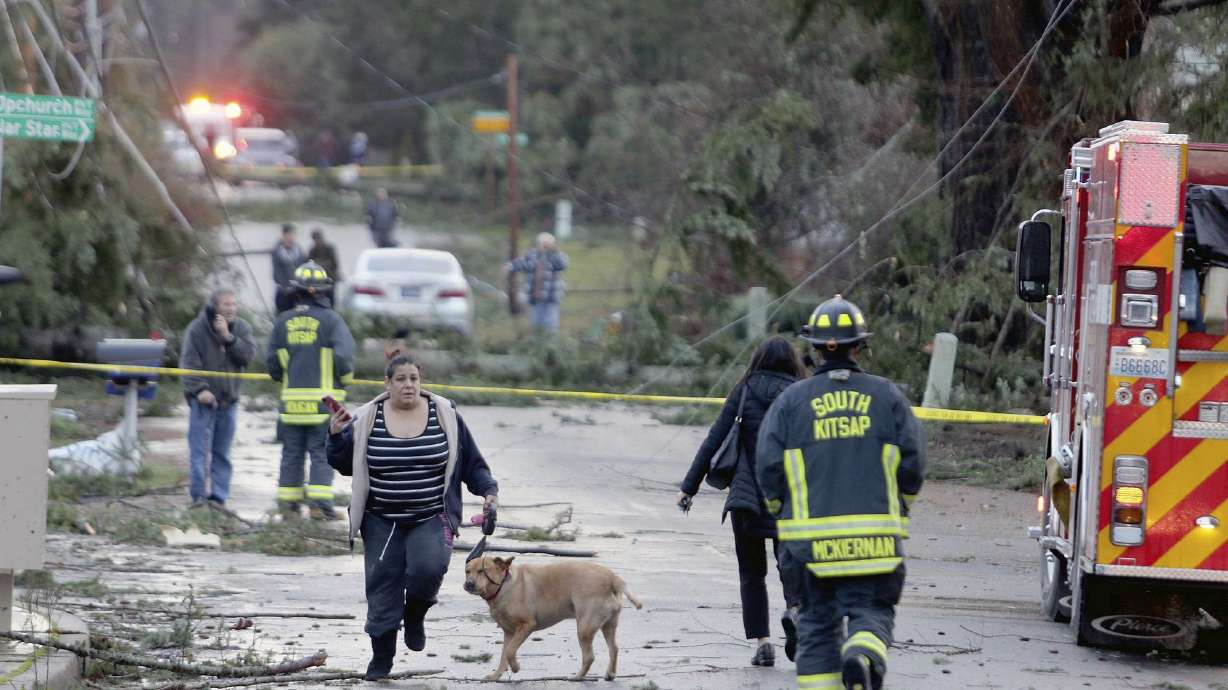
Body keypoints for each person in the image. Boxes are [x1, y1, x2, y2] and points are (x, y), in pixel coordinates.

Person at [756, 295, 925, 690]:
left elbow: (768, 466)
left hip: (808, 550)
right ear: (859, 346)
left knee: (816, 625)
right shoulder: (888, 397)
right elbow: (913, 462)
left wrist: (780, 509)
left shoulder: (790, 402)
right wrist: (902, 506)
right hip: (874, 544)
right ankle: (862, 655)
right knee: (872, 611)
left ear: (815, 350)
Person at [326, 354, 499, 680]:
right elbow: (345, 464)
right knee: (382, 587)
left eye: (414, 379)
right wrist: (336, 437)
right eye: (401, 379)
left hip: (431, 515)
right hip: (381, 518)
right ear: (387, 384)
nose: (408, 385)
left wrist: (488, 491)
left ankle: (416, 612)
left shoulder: (445, 414)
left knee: (428, 569)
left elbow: (471, 463)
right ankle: (382, 659)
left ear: (421, 381)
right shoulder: (366, 417)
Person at [676, 336, 808, 667]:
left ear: (758, 359)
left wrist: (689, 487)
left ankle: (763, 643)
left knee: (751, 572)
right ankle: (796, 611)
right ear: (792, 361)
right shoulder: (799, 393)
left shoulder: (745, 389)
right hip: (789, 496)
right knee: (791, 564)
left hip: (746, 496)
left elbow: (715, 439)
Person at [267, 261, 356, 521]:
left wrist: (288, 377)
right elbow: (344, 359)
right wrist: (345, 381)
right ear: (323, 291)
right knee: (321, 452)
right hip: (323, 405)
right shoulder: (332, 321)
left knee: (291, 454)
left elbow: (273, 364)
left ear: (296, 291)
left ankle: (288, 508)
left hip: (292, 406)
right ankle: (319, 506)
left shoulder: (283, 322)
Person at [179, 288, 257, 508]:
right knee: (199, 453)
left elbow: (248, 356)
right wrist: (200, 390)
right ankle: (198, 498)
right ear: (215, 307)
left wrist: (228, 338)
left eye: (234, 304)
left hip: (228, 403)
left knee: (222, 454)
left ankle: (219, 499)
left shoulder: (242, 328)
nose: (231, 309)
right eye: (226, 304)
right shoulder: (196, 329)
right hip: (203, 404)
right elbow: (188, 364)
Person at [503, 232, 569, 334]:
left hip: (551, 296)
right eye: (543, 243)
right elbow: (523, 263)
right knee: (536, 323)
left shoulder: (557, 255)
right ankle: (537, 340)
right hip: (535, 296)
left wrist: (552, 252)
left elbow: (562, 265)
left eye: (548, 244)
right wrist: (511, 265)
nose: (545, 246)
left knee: (551, 323)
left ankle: (551, 341)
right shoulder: (532, 255)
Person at [272, 224, 305, 313]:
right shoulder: (277, 251)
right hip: (283, 291)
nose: (290, 238)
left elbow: (303, 269)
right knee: (283, 314)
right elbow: (277, 273)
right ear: (283, 236)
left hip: (298, 290)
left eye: (292, 235)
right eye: (288, 235)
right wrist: (285, 286)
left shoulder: (300, 251)